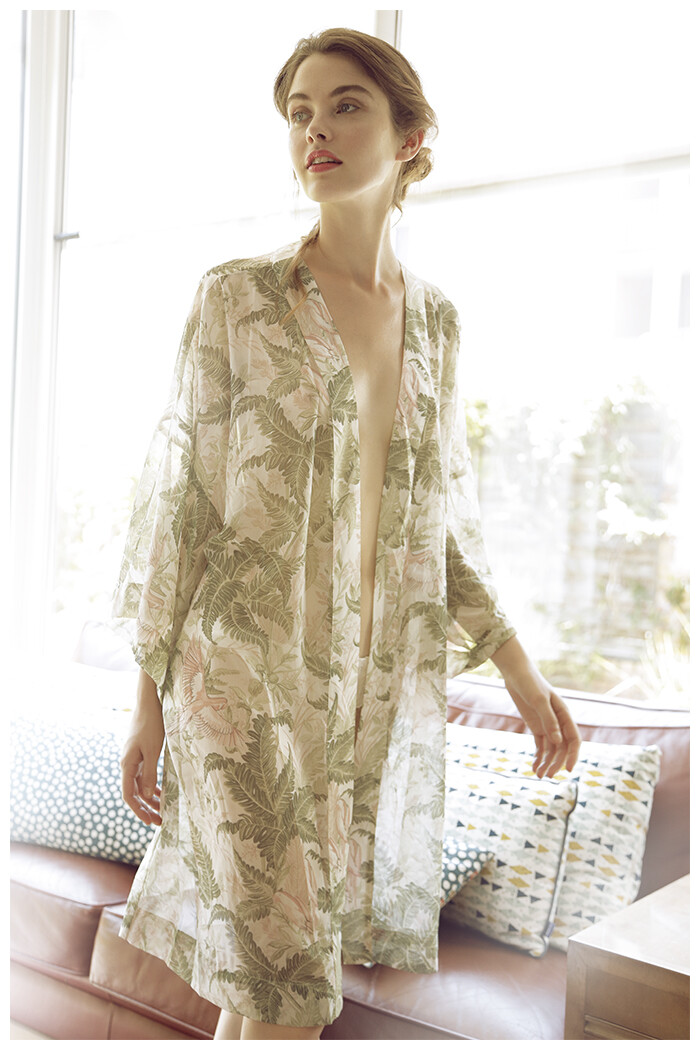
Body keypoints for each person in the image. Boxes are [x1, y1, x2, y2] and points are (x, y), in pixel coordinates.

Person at [113, 27, 581, 1041]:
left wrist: (519, 669)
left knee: (267, 990)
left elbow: (436, 520)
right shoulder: (237, 297)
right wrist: (146, 702)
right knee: (293, 988)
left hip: (360, 699)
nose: (314, 129)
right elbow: (180, 504)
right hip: (236, 680)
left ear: (412, 137)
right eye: (299, 113)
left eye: (345, 105)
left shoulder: (437, 324)